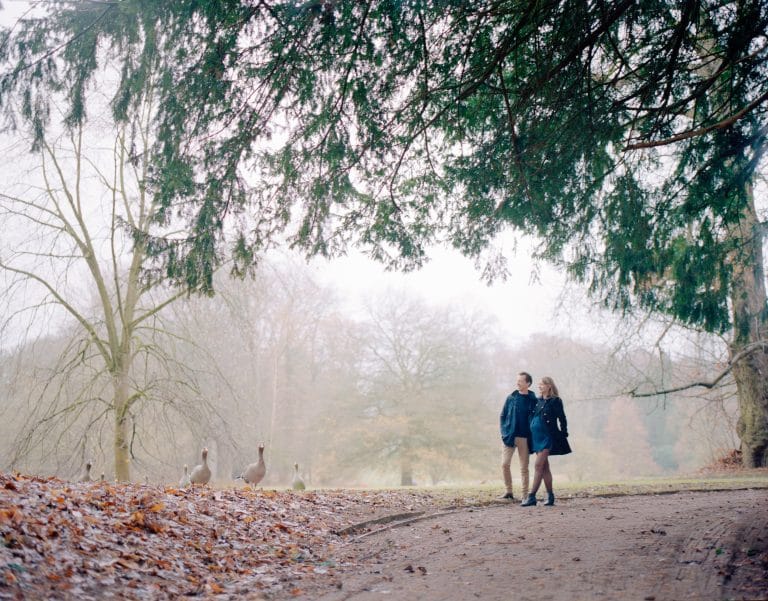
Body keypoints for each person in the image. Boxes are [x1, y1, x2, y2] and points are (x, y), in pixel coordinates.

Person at [521, 376, 571, 507]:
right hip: (536, 438)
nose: (539, 386)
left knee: (538, 466)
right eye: (539, 384)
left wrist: (564, 432)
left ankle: (531, 497)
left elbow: (562, 417)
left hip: (548, 437)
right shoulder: (537, 401)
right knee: (544, 468)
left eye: (542, 384)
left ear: (549, 386)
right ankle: (550, 496)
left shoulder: (555, 401)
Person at [499, 371, 537, 502]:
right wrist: (504, 432)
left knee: (524, 468)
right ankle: (508, 491)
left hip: (525, 438)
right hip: (509, 436)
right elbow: (502, 416)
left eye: (520, 381)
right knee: (504, 464)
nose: (518, 383)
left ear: (528, 384)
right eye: (517, 380)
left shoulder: (534, 400)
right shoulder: (511, 398)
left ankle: (525, 495)